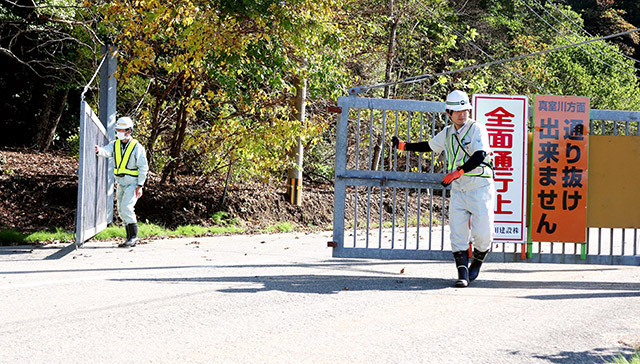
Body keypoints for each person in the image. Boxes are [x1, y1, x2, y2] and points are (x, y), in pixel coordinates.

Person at [392, 90, 495, 287]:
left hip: (480, 187)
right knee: (457, 232)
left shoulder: (477, 129)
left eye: (465, 110)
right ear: (448, 113)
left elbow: (480, 155)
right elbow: (429, 146)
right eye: (457, 111)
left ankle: (478, 260)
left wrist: (459, 172)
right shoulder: (447, 132)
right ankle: (462, 274)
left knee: (483, 232)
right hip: (458, 189)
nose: (462, 114)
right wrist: (405, 146)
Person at [95, 116, 149, 248]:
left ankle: (133, 237)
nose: (118, 132)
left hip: (133, 183)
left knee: (127, 207)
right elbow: (106, 151)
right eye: (117, 129)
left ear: (129, 131)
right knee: (120, 209)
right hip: (121, 183)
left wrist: (140, 185)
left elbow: (143, 167)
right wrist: (98, 151)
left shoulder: (137, 147)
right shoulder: (115, 144)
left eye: (121, 129)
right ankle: (129, 237)